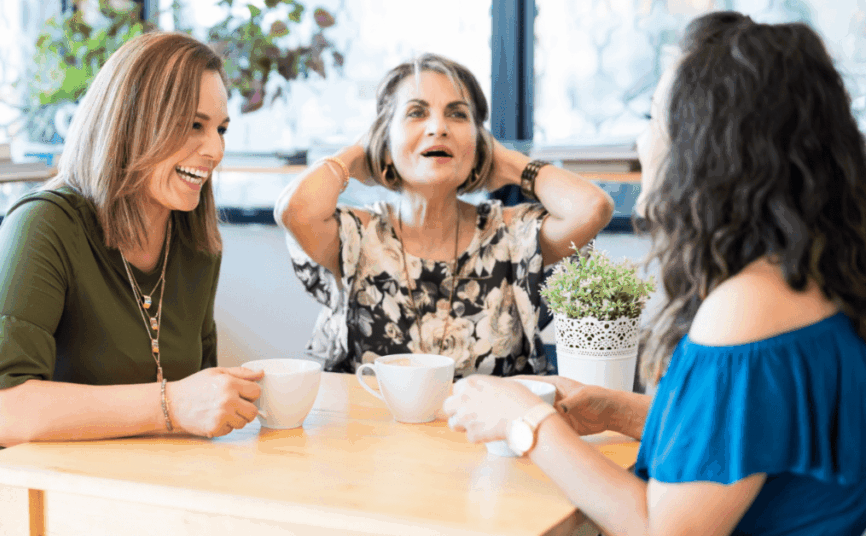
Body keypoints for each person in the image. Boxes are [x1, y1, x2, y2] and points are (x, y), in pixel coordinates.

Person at [443, 11, 866, 535]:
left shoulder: (749, 306)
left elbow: (662, 529)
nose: (643, 142)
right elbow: (752, 438)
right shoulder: (817, 279)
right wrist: (618, 410)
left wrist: (525, 422)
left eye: (655, 120)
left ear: (705, 149)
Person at [0, 32, 265, 536]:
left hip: (121, 495)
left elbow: (194, 402)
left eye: (220, 129)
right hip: (1, 507)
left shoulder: (195, 241)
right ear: (133, 122)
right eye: (193, 125)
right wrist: (172, 404)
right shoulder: (43, 226)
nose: (214, 149)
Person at [275, 54, 614, 378]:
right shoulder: (356, 236)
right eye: (416, 113)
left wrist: (510, 163)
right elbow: (295, 210)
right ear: (385, 142)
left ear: (479, 145)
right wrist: (356, 154)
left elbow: (592, 207)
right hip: (368, 421)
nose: (438, 127)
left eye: (457, 115)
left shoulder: (512, 236)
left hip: (492, 421)